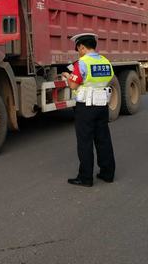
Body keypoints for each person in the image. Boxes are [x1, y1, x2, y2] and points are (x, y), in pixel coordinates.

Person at [61, 33, 116, 187]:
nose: (78, 52)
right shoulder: (105, 61)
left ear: (82, 47)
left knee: (85, 142)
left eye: (78, 48)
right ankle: (107, 173)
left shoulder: (82, 63)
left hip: (86, 107)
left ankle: (85, 178)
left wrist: (68, 76)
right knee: (103, 139)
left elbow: (73, 85)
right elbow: (109, 79)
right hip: (102, 105)